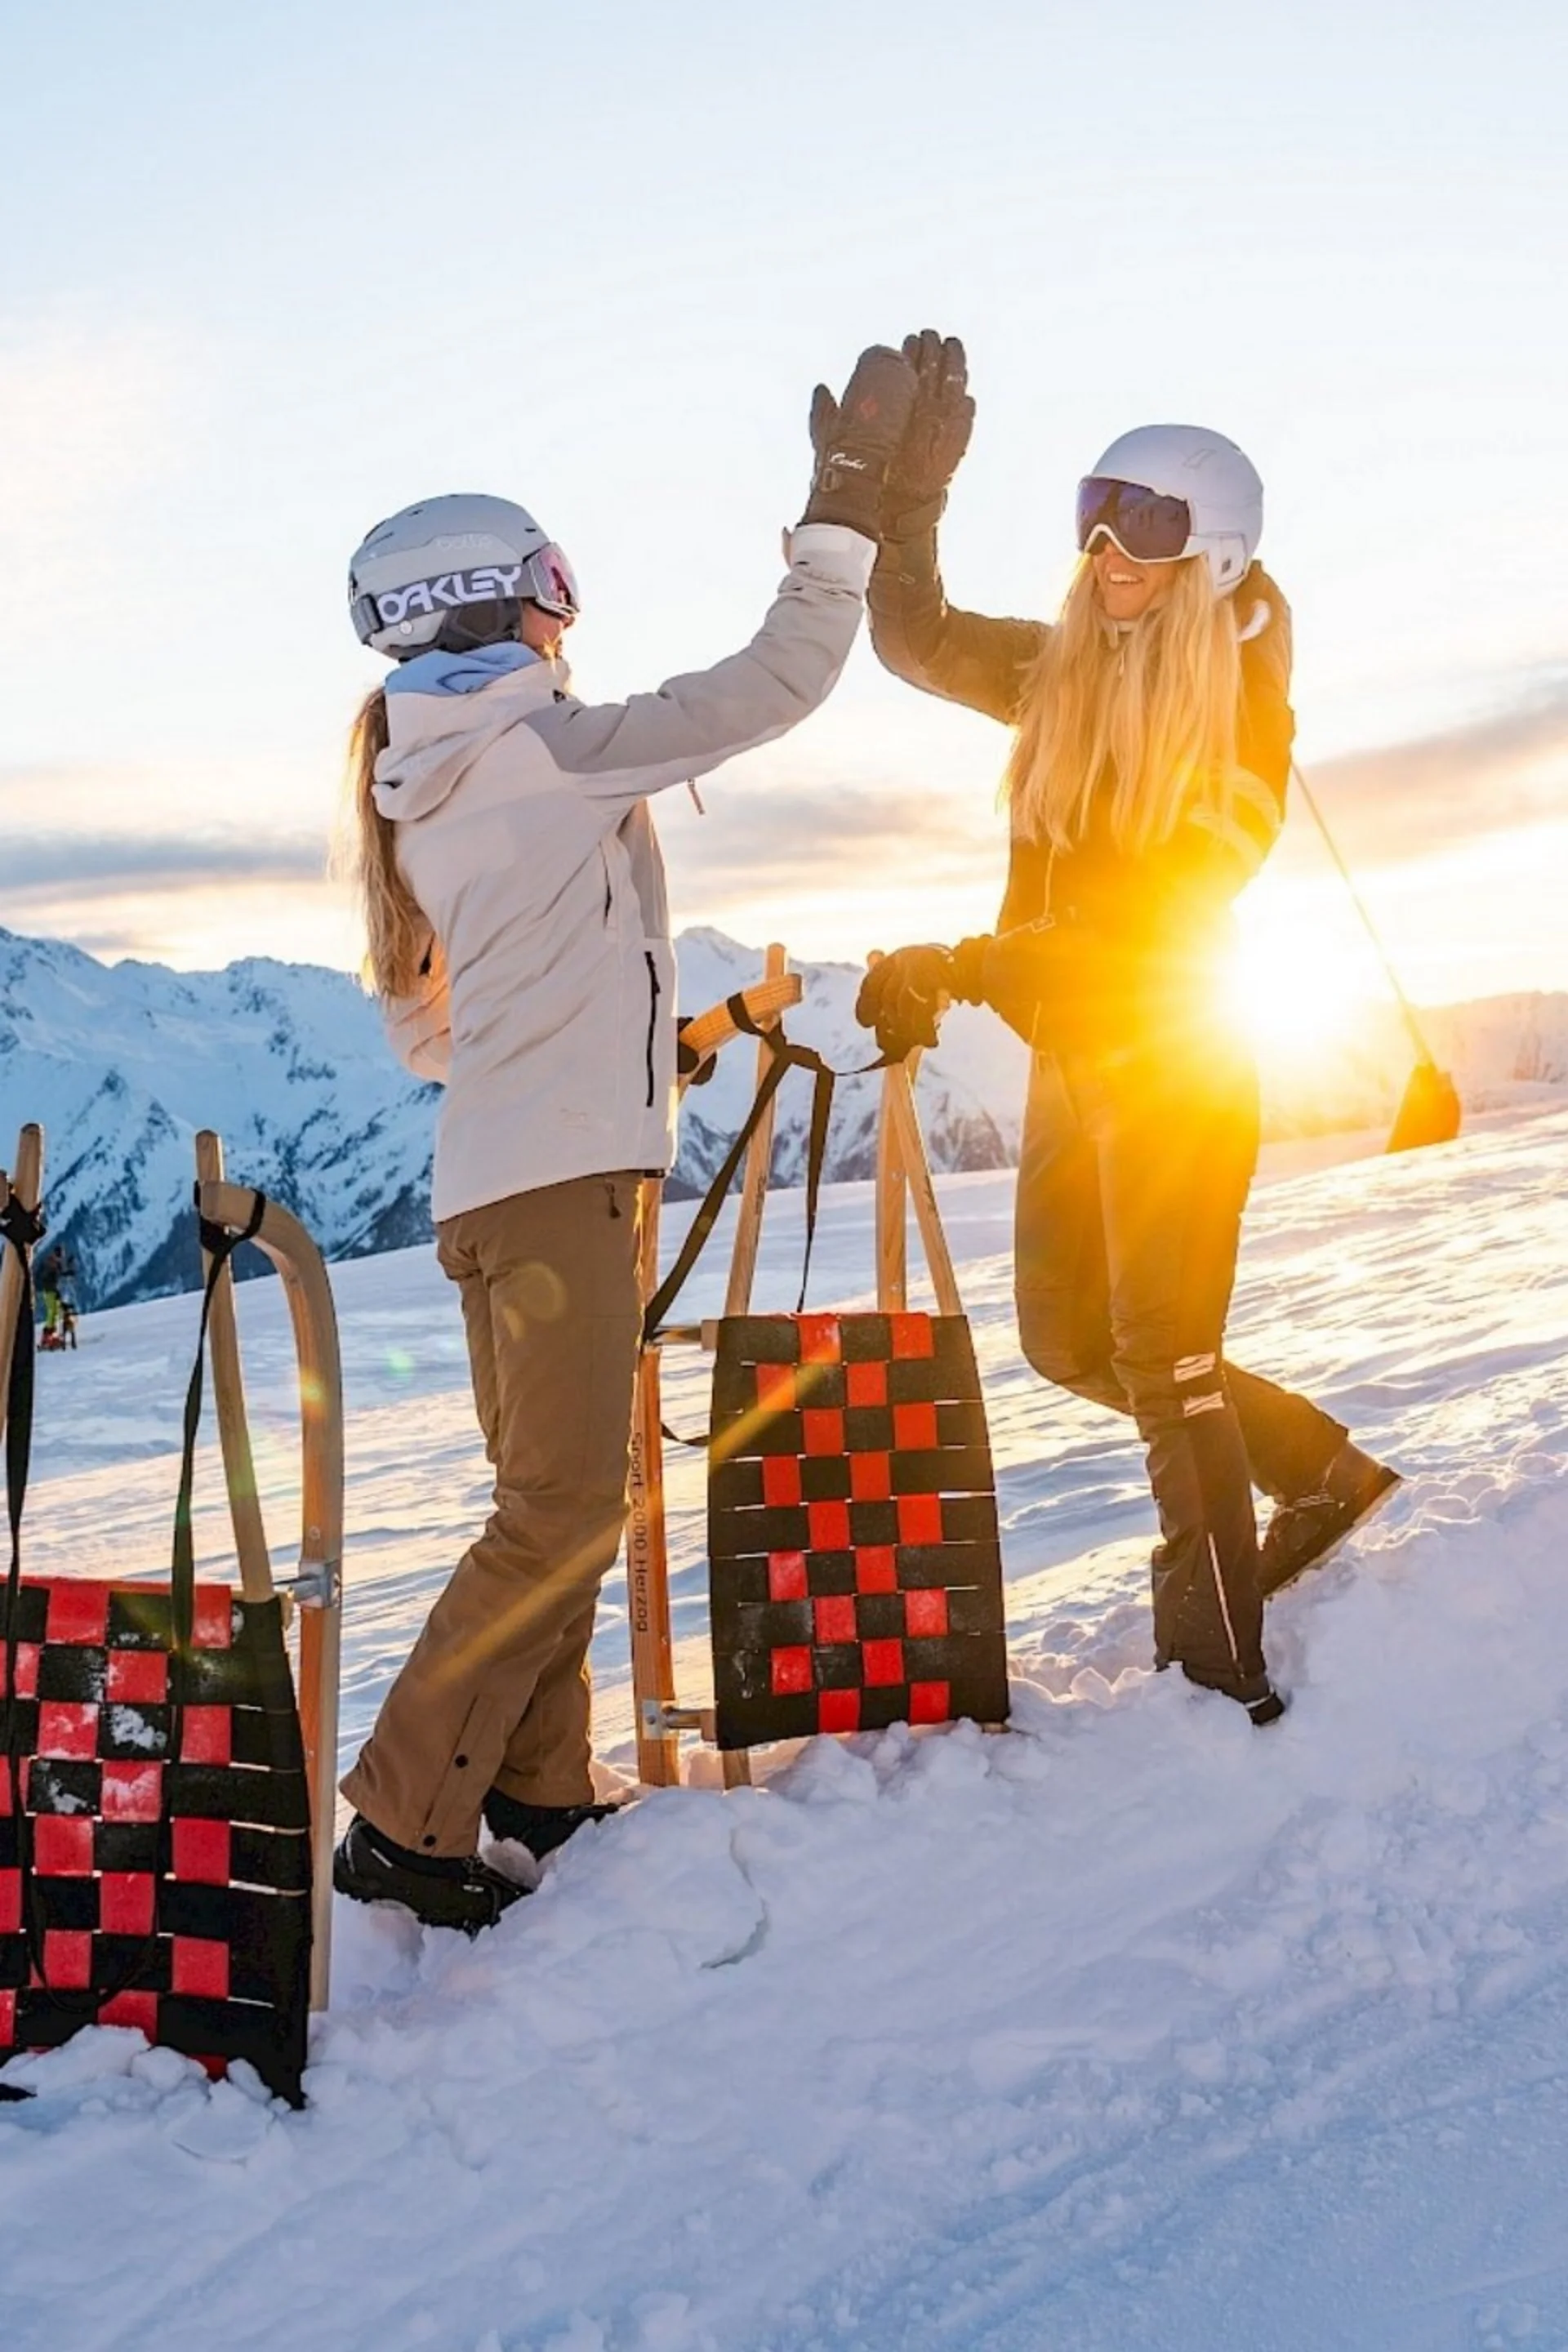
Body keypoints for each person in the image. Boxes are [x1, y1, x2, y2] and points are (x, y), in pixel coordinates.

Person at [334, 347, 919, 1930]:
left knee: (563, 1490)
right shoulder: (538, 751)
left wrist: (650, 1039)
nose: (565, 613)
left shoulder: (426, 781)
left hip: (505, 1185)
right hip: (557, 1190)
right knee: (557, 1508)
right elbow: (771, 689)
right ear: (477, 606)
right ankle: (400, 1819)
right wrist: (842, 521)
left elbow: (441, 1030)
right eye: (549, 583)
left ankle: (527, 1784)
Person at [855, 332, 1398, 1726]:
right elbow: (914, 640)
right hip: (1075, 1061)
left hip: (1178, 1062)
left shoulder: (1239, 732)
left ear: (1213, 553)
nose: (1108, 547)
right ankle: (1328, 1473)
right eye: (1093, 510)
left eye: (1145, 523)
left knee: (1166, 1352)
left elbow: (1153, 921)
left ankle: (1215, 1672)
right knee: (1069, 1340)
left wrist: (966, 961)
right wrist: (905, 504)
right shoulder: (1063, 673)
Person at [37, 1245, 78, 1351]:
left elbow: (59, 1274)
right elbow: (50, 1275)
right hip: (49, 1290)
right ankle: (48, 1336)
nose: (60, 1257)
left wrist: (68, 1272)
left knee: (55, 1311)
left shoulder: (54, 1263)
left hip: (52, 1290)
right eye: (59, 1255)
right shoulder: (50, 1263)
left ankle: (51, 1335)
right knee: (52, 1311)